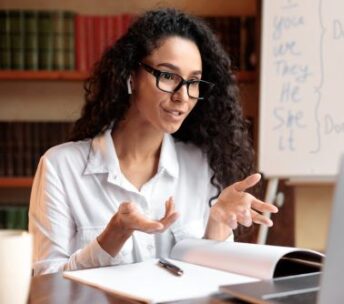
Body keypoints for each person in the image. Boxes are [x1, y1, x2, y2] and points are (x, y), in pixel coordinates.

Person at [28, 8, 278, 276]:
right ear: (131, 76)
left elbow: (209, 285)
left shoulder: (201, 165)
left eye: (193, 82)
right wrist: (113, 236)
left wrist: (218, 225)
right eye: (168, 76)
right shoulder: (60, 167)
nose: (183, 96)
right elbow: (46, 283)